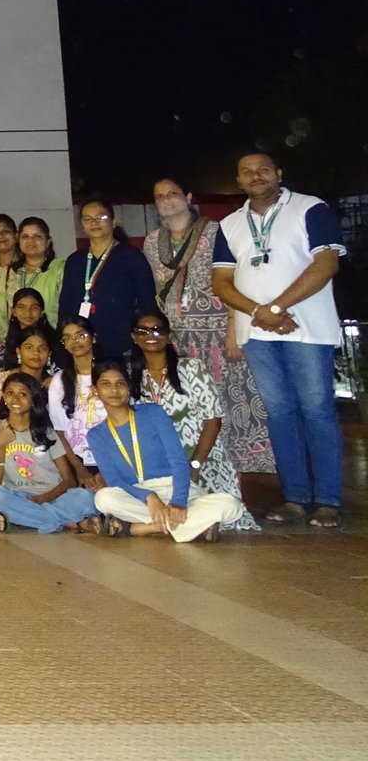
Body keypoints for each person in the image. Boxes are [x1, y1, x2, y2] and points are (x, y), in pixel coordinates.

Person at [146, 177, 273, 475]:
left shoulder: (217, 232)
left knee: (225, 400)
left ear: (188, 196)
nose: (167, 199)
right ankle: (197, 464)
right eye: (160, 196)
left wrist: (233, 329)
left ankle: (236, 470)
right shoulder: (153, 242)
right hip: (177, 338)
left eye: (173, 193)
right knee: (190, 402)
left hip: (216, 333)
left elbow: (234, 280)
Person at [128, 308, 258, 531]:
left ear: (169, 336)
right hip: (162, 462)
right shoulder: (132, 376)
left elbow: (213, 420)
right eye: (143, 331)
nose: (151, 335)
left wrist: (195, 463)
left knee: (227, 508)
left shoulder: (191, 368)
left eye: (158, 330)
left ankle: (176, 526)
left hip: (201, 457)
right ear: (134, 337)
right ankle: (188, 525)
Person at [89, 359, 241, 542]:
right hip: (138, 496)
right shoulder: (96, 435)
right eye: (106, 384)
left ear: (128, 388)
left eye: (120, 384)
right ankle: (185, 526)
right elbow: (114, 480)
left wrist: (178, 502)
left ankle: (138, 528)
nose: (114, 390)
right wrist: (150, 497)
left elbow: (178, 460)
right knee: (103, 498)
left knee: (231, 505)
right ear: (95, 390)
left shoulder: (153, 412)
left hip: (173, 486)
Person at [0, 372, 100, 534]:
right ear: (4, 397)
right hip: (18, 497)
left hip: (54, 497)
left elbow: (69, 480)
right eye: (10, 393)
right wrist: (1, 445)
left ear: (33, 400)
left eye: (23, 394)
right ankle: (61, 521)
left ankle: (33, 519)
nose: (15, 399)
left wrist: (45, 498)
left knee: (87, 497)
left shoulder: (47, 432)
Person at [57, 198, 156, 358]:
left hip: (122, 342)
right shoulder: (75, 260)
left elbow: (147, 302)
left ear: (113, 221)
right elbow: (66, 305)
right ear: (82, 225)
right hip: (82, 344)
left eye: (101, 217)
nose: (94, 223)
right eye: (87, 219)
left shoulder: (131, 256)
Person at [56, 316, 106, 485]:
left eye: (80, 335)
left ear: (93, 338)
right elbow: (59, 432)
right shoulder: (59, 380)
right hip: (76, 459)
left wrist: (108, 470)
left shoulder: (110, 374)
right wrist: (80, 470)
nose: (74, 341)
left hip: (113, 457)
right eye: (67, 338)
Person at [0, 217, 66, 333]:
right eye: (25, 237)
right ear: (18, 241)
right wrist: (8, 338)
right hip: (16, 338)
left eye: (37, 236)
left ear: (48, 241)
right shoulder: (8, 272)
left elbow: (68, 307)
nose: (30, 241)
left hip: (51, 337)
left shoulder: (61, 268)